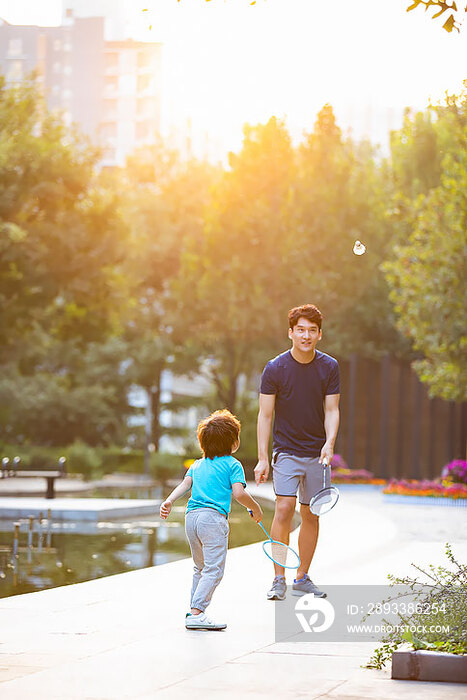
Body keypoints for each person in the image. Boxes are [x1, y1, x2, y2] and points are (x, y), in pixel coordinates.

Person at [254, 304, 340, 601]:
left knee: (311, 514)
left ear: (319, 334)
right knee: (283, 508)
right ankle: (279, 578)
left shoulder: (329, 367)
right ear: (290, 332)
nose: (306, 336)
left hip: (317, 454)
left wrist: (329, 443)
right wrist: (263, 457)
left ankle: (302, 576)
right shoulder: (275, 368)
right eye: (300, 330)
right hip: (286, 452)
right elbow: (265, 415)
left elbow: (332, 409)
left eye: (312, 331)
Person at [160, 409, 263, 630]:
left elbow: (185, 485)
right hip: (212, 520)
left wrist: (169, 500)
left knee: (200, 568)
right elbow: (239, 493)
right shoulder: (233, 465)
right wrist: (256, 508)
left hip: (191, 518)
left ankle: (195, 611)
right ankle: (197, 612)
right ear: (233, 442)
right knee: (214, 569)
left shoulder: (197, 464)